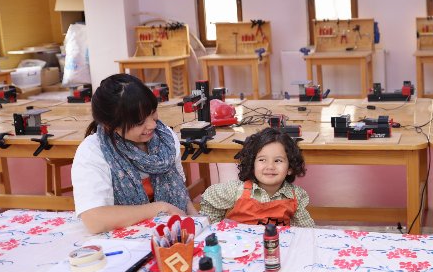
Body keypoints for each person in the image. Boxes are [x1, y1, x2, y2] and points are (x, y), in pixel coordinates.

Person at [72, 74, 197, 233]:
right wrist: (159, 208)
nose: (152, 124)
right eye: (139, 122)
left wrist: (196, 220)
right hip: (121, 240)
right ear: (111, 126)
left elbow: (180, 193)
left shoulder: (165, 139)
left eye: (153, 113)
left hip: (167, 235)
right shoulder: (93, 151)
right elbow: (95, 220)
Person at [200, 127, 314, 227]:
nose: (270, 166)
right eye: (262, 160)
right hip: (241, 248)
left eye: (278, 160)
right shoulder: (236, 190)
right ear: (252, 164)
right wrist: (215, 229)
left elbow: (306, 231)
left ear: (290, 168)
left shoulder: (296, 196)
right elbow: (209, 198)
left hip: (276, 247)